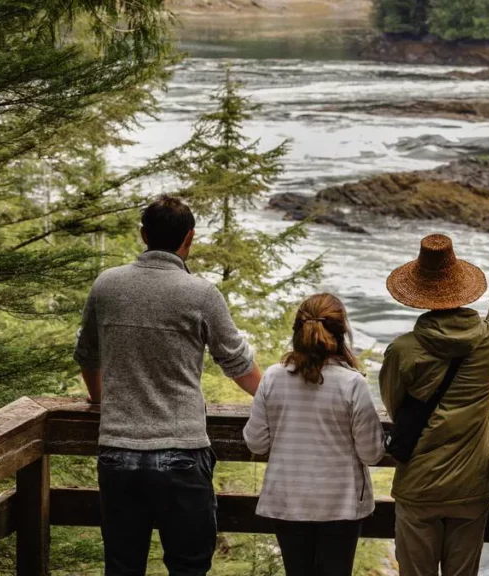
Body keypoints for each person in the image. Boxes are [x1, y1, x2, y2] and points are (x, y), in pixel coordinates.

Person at [74, 195, 262, 575]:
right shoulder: (201, 293)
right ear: (189, 238)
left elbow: (88, 356)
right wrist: (277, 398)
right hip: (181, 452)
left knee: (122, 567)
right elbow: (238, 365)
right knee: (188, 567)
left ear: (143, 235)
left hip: (118, 450)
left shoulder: (107, 285)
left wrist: (101, 401)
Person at [379, 228, 489, 576]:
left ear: (419, 294)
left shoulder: (403, 350)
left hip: (419, 486)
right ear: (462, 289)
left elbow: (395, 405)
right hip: (470, 488)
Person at [243, 293, 385, 576]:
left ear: (298, 331)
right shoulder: (351, 383)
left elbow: (256, 441)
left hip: (287, 501)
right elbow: (371, 452)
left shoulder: (273, 377)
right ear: (341, 333)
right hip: (340, 504)